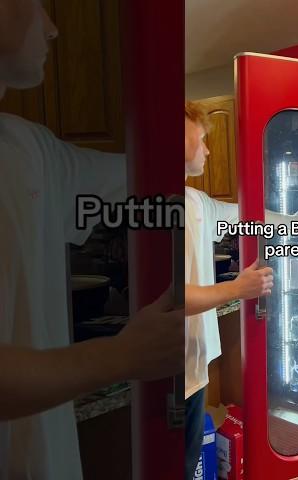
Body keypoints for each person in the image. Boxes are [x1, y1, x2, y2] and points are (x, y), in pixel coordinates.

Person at [0, 1, 183, 478]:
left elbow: (142, 175)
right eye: (37, 4)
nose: (54, 28)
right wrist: (122, 355)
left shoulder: (27, 147)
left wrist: (185, 150)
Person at [184, 102, 298, 479]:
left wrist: (293, 222)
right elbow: (171, 299)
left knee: (187, 459)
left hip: (193, 364)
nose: (207, 149)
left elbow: (245, 214)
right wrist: (238, 288)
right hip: (170, 367)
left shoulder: (194, 201)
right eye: (202, 139)